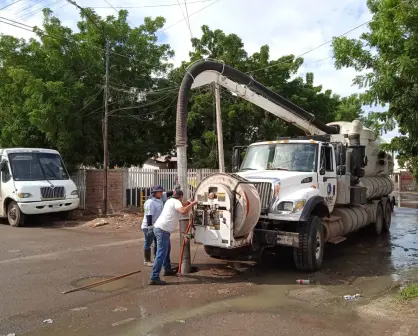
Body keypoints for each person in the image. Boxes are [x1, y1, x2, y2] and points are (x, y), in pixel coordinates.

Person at [149, 189, 198, 285]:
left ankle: (167, 270)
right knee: (161, 254)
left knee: (166, 251)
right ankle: (154, 277)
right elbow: (183, 210)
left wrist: (189, 202)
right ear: (180, 197)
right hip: (163, 230)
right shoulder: (176, 202)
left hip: (160, 228)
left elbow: (183, 204)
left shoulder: (170, 200)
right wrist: (193, 204)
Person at [141, 185, 165, 267]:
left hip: (157, 225)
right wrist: (150, 227)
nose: (161, 193)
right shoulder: (150, 202)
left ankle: (156, 259)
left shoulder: (159, 199)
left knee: (156, 242)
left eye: (162, 191)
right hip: (148, 225)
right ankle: (147, 260)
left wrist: (175, 190)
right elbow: (149, 215)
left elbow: (167, 194)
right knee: (148, 243)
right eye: (160, 192)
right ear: (155, 193)